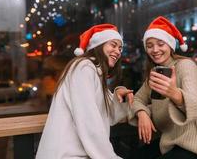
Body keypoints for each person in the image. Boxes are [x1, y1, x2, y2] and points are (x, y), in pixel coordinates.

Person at [128, 16, 197, 159]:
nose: (155, 49)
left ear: (170, 45)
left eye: (161, 44)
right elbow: (138, 99)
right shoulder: (156, 73)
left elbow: (195, 105)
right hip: (173, 142)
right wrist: (142, 113)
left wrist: (175, 94)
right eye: (149, 45)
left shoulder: (186, 66)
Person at [36, 24, 133, 159]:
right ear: (99, 45)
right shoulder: (83, 68)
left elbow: (110, 115)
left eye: (120, 48)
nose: (117, 51)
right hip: (66, 154)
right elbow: (89, 120)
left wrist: (118, 97)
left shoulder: (95, 73)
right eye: (113, 45)